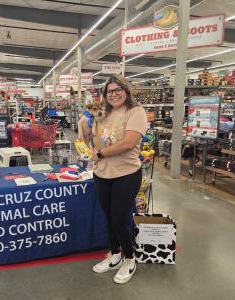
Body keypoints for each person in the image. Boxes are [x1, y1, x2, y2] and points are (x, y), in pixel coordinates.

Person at [81, 74, 147, 284]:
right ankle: (114, 255)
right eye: (110, 91)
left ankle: (129, 258)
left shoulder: (135, 112)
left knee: (119, 218)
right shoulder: (102, 112)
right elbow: (89, 141)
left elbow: (129, 143)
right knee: (109, 217)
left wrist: (101, 154)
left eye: (118, 89)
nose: (114, 94)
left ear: (126, 91)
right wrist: (85, 123)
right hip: (102, 173)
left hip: (126, 173)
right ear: (105, 94)